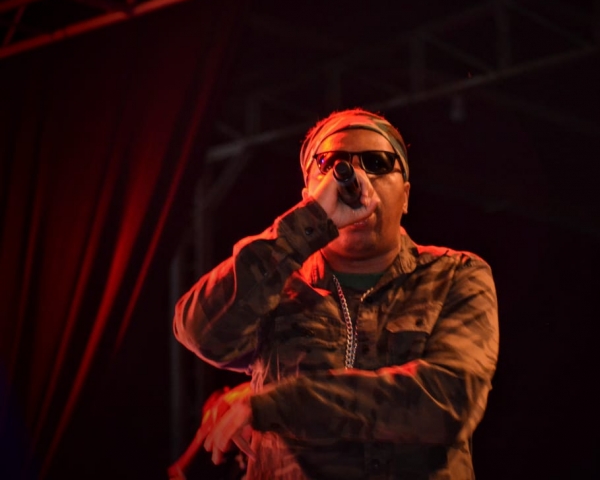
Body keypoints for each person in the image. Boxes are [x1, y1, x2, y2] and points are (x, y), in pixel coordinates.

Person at [173, 108, 500, 479]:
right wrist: (305, 225)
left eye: (377, 162)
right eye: (330, 164)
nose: (356, 178)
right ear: (307, 195)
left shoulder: (455, 274)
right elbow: (199, 332)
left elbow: (448, 400)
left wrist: (281, 406)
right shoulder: (276, 285)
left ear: (406, 196)